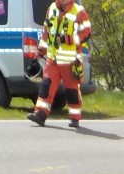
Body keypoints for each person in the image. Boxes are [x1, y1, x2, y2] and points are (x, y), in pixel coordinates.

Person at [27, 0, 92, 128]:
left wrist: (67, 39)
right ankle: (40, 114)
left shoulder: (79, 12)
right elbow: (46, 32)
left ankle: (74, 117)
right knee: (46, 86)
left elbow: (87, 33)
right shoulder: (52, 8)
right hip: (53, 59)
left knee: (71, 90)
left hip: (70, 60)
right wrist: (40, 51)